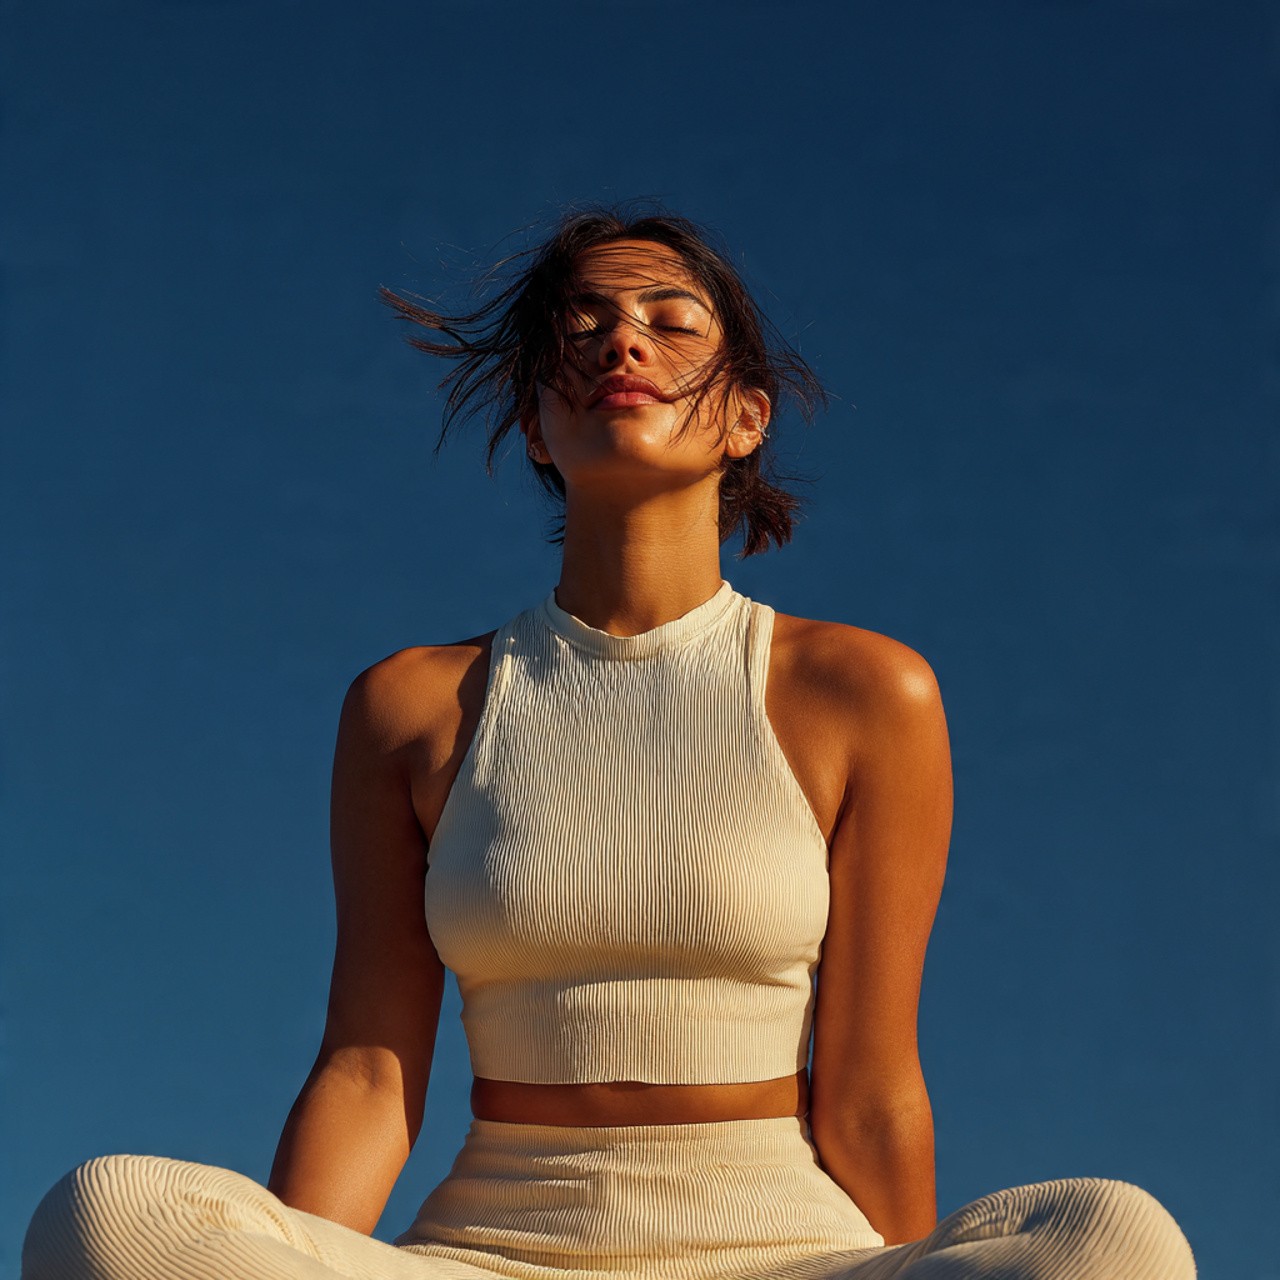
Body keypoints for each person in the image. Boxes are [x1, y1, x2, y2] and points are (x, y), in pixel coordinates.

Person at [23, 207, 1197, 1279]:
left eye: (668, 321)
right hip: (490, 1253)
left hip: (783, 1251)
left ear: (746, 414)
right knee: (111, 1213)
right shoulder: (416, 706)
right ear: (537, 421)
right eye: (578, 330)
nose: (618, 344)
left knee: (1111, 1240)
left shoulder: (859, 690)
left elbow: (872, 1083)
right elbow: (371, 1069)